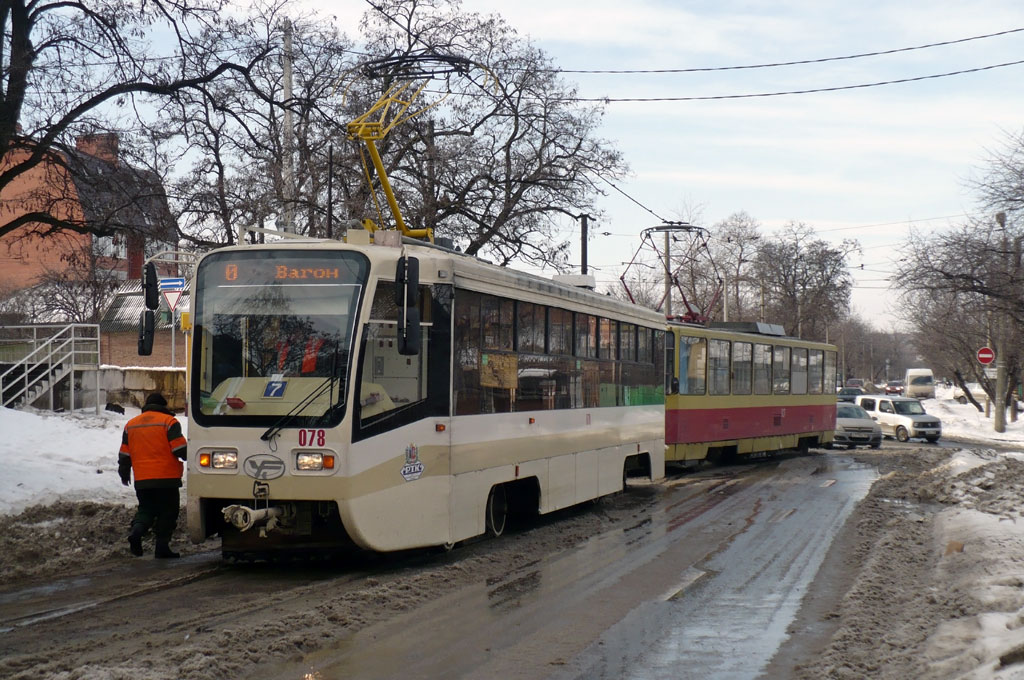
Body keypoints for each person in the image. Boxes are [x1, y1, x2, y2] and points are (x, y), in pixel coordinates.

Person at [118, 392, 188, 559]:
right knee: (167, 512)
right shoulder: (169, 422)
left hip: (142, 479)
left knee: (146, 509)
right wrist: (191, 456)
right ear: (163, 406)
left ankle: (137, 532)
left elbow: (125, 454)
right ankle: (162, 547)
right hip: (167, 479)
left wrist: (124, 472)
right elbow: (179, 449)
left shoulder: (131, 425)